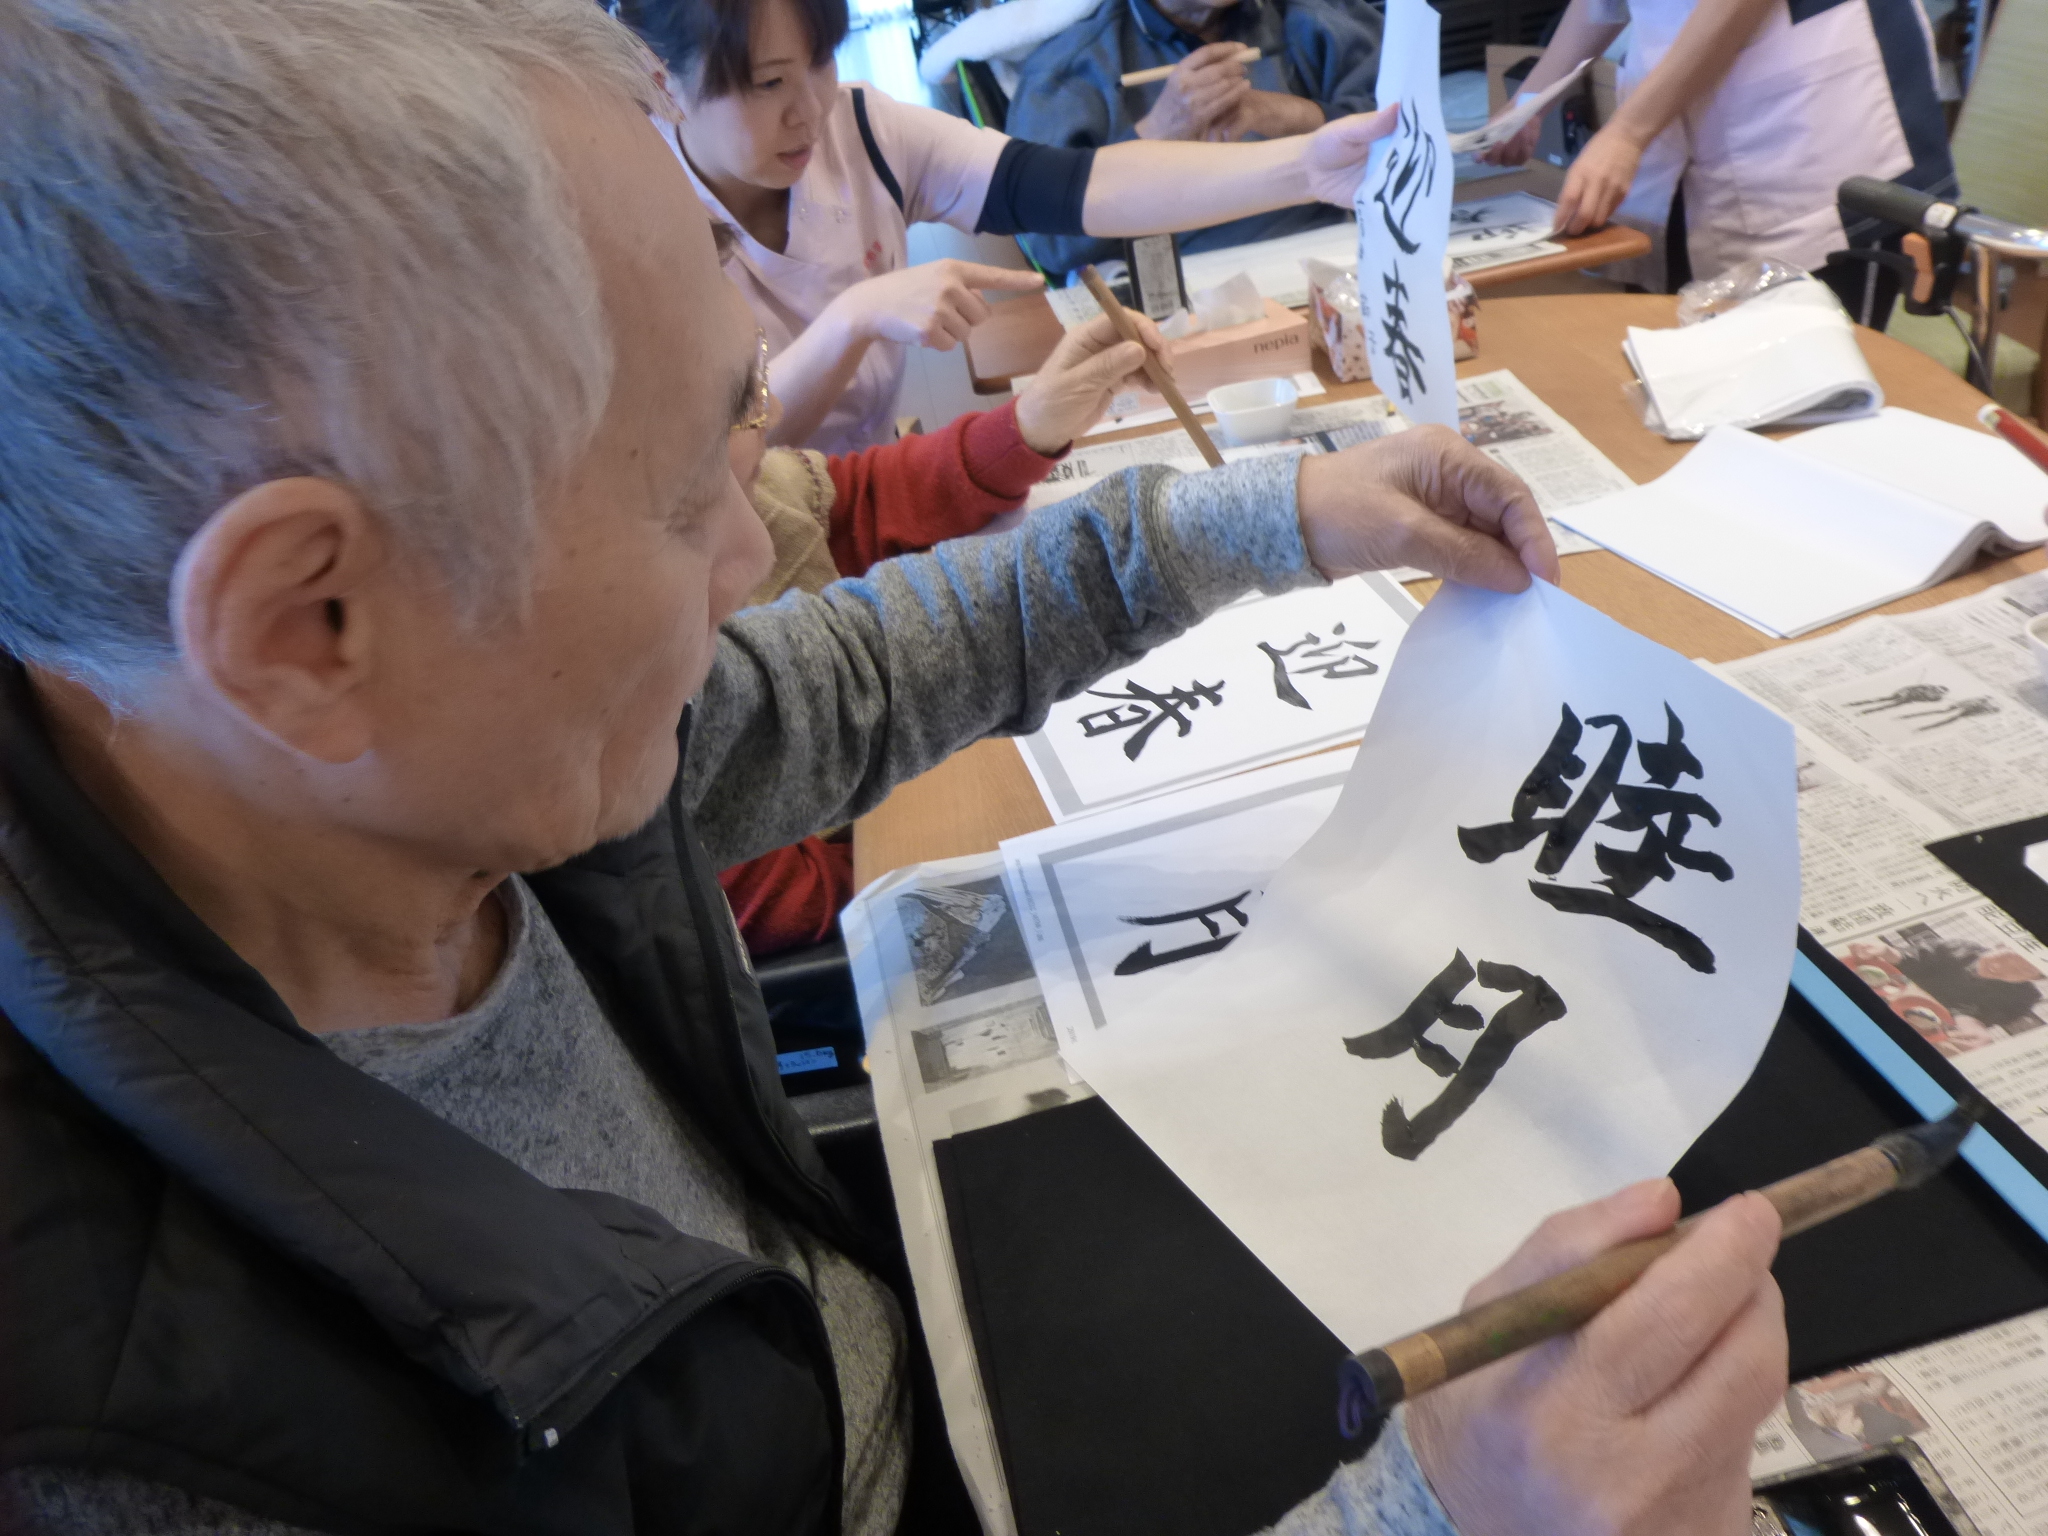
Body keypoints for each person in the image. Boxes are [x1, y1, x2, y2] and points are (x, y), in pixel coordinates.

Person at [0, 2, 1789, 1533]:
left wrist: (1282, 514)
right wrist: (1432, 1512)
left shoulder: (432, 773)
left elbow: (844, 675)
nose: (751, 555)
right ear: (308, 625)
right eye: (684, 493)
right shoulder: (151, 1450)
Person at [621, 0, 1395, 452]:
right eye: (766, 84)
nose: (810, 109)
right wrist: (854, 318)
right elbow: (718, 457)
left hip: (873, 497)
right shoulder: (624, 212)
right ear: (662, 80)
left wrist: (1303, 165)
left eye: (820, 62)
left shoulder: (862, 126)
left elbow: (1077, 186)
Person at [724, 313, 1154, 955]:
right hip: (849, 928)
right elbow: (778, 901)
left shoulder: (749, 498)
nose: (776, 407)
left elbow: (855, 501)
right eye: (742, 397)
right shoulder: (640, 670)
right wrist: (952, 849)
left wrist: (1027, 425)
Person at [1481, 0, 1954, 317]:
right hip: (1675, 128)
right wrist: (1532, 100)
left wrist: (1628, 133)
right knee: (1685, 375)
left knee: (1816, 388)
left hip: (1810, 129)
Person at [1005, 0, 1384, 277]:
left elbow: (1402, 143)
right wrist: (1158, 134)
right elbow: (1050, 245)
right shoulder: (1070, 66)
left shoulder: (1316, 16)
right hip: (1177, 296)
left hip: (1333, 267)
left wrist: (1287, 115)